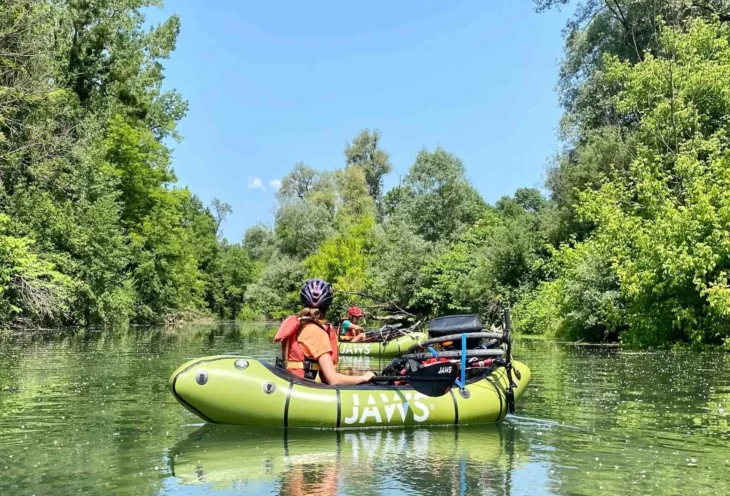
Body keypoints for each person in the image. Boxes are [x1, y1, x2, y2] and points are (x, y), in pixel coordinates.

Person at [274, 279, 375, 386]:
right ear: (327, 306)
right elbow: (333, 380)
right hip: (307, 390)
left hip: (292, 384)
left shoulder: (298, 325)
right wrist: (364, 377)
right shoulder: (318, 334)